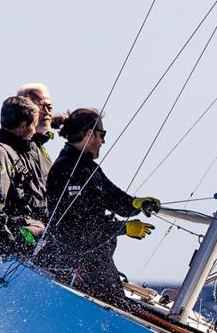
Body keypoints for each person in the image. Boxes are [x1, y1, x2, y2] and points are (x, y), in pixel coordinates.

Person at [37, 108, 160, 307]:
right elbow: (78, 228)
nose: (103, 141)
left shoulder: (89, 168)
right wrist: (124, 228)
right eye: (102, 134)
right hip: (78, 261)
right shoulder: (67, 169)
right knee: (119, 307)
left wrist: (137, 203)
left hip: (96, 259)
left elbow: (115, 199)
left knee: (123, 305)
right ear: (88, 134)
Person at [0, 96, 47, 257]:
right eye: (33, 126)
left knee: (67, 242)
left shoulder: (28, 150)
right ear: (23, 125)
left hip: (37, 227)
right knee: (47, 244)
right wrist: (9, 244)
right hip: (19, 234)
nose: (34, 131)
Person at [16, 83, 55, 193]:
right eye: (40, 107)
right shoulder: (14, 148)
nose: (47, 113)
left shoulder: (40, 147)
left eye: (49, 107)